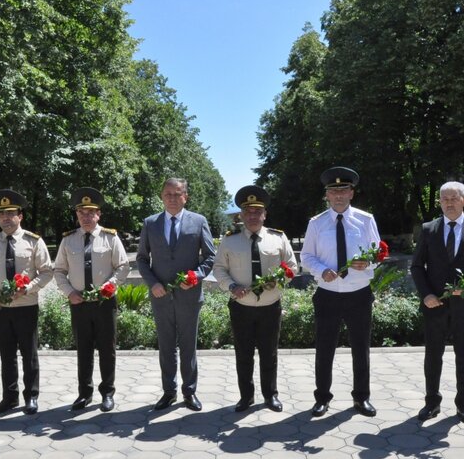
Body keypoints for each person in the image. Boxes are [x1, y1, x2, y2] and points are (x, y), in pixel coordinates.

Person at [410, 181, 464, 425]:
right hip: (434, 305)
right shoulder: (428, 229)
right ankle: (431, 402)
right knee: (432, 356)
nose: (449, 203)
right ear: (439, 202)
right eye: (444, 199)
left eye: (454, 198)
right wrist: (426, 294)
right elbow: (417, 266)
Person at [301, 166, 382, 418]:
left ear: (351, 193)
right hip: (328, 294)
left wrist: (368, 263)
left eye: (343, 190)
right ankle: (322, 398)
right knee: (324, 348)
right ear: (327, 195)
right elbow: (306, 256)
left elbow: (378, 253)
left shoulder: (365, 220)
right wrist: (321, 270)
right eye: (333, 191)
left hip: (359, 293)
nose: (338, 195)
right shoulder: (316, 223)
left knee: (361, 348)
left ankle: (361, 397)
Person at [213, 186, 298, 413]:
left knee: (269, 353)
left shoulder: (278, 238)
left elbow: (292, 266)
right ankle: (246, 397)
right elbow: (219, 269)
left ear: (264, 215)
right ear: (241, 215)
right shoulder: (229, 241)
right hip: (241, 307)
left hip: (270, 306)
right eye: (248, 211)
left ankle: (270, 395)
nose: (252, 216)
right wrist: (231, 286)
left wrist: (279, 281)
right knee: (244, 354)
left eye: (257, 211)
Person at [137, 178, 216, 411]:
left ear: (185, 197)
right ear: (162, 196)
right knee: (166, 346)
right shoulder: (150, 223)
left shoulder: (198, 221)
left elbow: (210, 256)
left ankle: (189, 392)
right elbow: (142, 258)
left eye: (177, 193)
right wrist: (152, 283)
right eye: (168, 194)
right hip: (160, 295)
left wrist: (195, 276)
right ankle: (168, 392)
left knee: (189, 345)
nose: (172, 198)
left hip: (189, 296)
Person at [0, 189, 53, 415]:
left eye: (10, 214)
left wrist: (28, 288)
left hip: (26, 307)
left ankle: (31, 397)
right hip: (0, 309)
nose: (6, 218)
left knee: (29, 354)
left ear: (20, 216)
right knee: (6, 355)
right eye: (2, 214)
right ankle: (9, 398)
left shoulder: (33, 241)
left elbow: (47, 271)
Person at [54, 188, 129, 412]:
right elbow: (59, 270)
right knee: (83, 349)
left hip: (105, 303)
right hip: (79, 304)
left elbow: (123, 266)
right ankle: (84, 394)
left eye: (90, 213)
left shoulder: (110, 237)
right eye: (81, 213)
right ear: (77, 214)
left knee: (107, 349)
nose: (86, 217)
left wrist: (109, 286)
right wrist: (69, 292)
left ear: (98, 214)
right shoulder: (68, 240)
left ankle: (107, 393)